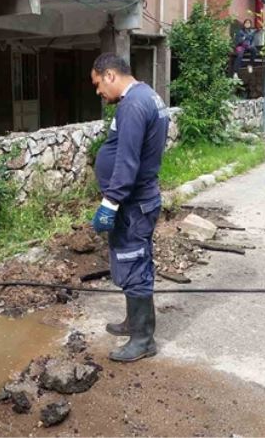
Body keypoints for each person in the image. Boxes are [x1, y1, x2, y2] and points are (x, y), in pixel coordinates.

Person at [90, 53, 170, 362]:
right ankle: (133, 322)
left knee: (134, 262)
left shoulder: (133, 105)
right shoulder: (145, 96)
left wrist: (110, 203)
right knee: (130, 259)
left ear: (110, 75)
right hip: (136, 200)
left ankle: (143, 339)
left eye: (98, 84)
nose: (98, 92)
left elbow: (128, 160)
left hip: (133, 204)